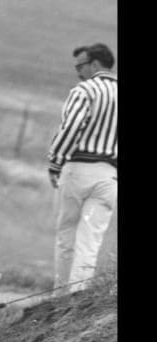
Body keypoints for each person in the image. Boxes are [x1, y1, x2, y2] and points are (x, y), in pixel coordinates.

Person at [48, 43, 118, 294]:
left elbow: (71, 127)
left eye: (81, 66)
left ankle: (60, 296)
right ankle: (79, 296)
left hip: (78, 169)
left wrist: (55, 161)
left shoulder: (85, 90)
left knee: (67, 234)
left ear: (95, 65)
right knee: (91, 240)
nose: (78, 72)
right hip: (110, 175)